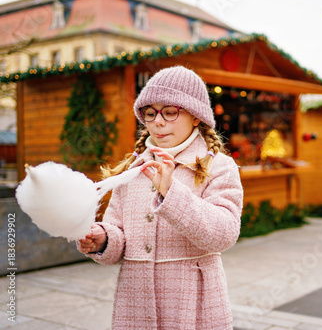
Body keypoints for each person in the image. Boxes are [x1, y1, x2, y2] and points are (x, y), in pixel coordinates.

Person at [77, 66, 243, 329]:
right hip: (135, 305)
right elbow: (119, 235)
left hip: (192, 306)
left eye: (170, 112)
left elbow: (224, 234)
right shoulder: (133, 169)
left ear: (196, 116)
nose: (158, 121)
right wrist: (103, 239)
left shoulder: (219, 166)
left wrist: (171, 192)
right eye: (150, 113)